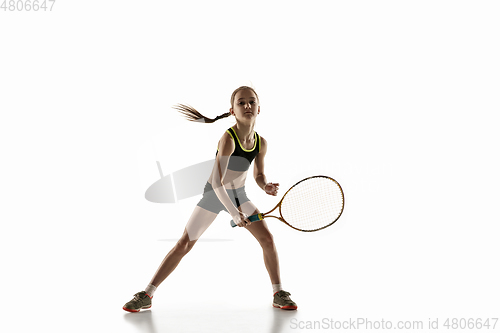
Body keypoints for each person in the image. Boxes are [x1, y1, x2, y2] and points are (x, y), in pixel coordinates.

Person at [123, 86, 297, 312]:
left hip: (239, 195)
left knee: (268, 240)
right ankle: (146, 294)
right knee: (184, 243)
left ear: (259, 108)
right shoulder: (228, 138)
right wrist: (234, 213)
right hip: (214, 194)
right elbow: (217, 182)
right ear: (232, 111)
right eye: (241, 102)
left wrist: (266, 186)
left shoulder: (260, 142)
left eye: (252, 102)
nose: (247, 106)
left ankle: (278, 293)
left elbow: (259, 174)